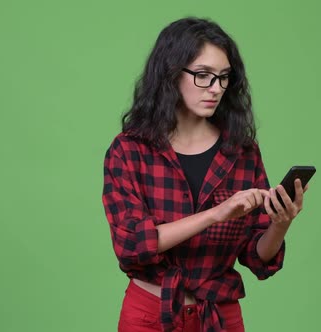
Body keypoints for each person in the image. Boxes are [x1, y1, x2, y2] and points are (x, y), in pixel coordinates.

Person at [102, 17, 309, 332]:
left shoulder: (242, 152)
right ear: (170, 74)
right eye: (203, 76)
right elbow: (133, 243)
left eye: (224, 78)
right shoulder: (130, 150)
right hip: (149, 316)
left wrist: (281, 223)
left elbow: (257, 257)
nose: (216, 89)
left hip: (220, 318)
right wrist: (216, 215)